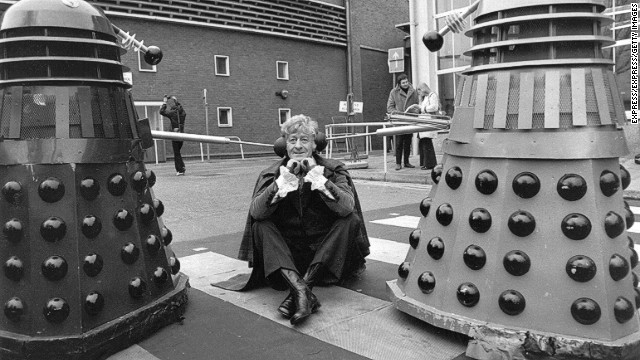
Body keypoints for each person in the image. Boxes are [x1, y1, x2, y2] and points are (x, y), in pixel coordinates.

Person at [237, 114, 370, 325]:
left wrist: (319, 179)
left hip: (325, 257)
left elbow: (346, 206)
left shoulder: (334, 169)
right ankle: (301, 290)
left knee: (350, 220)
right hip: (288, 259)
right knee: (262, 225)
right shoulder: (272, 173)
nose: (298, 146)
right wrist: (282, 182)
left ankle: (302, 288)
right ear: (285, 145)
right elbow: (257, 213)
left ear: (314, 145)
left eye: (304, 140)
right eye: (292, 140)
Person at [386, 73, 418, 171]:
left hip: (409, 120)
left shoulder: (413, 91)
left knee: (408, 142)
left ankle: (407, 162)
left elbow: (417, 105)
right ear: (399, 84)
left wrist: (414, 112)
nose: (405, 84)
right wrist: (399, 113)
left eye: (406, 82)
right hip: (399, 121)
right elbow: (389, 107)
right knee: (399, 142)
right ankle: (398, 163)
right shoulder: (394, 92)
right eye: (403, 83)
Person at [160, 95, 187, 175]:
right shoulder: (183, 113)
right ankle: (182, 167)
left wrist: (164, 102)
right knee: (178, 152)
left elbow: (161, 111)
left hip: (175, 135)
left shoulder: (172, 113)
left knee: (176, 153)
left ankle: (180, 169)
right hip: (182, 135)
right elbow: (180, 108)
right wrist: (176, 101)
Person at [416, 82, 439, 170]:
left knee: (426, 142)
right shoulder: (426, 97)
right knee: (424, 142)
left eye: (419, 91)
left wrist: (423, 108)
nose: (419, 94)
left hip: (428, 121)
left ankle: (429, 163)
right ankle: (426, 162)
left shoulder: (432, 95)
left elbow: (434, 107)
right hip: (424, 121)